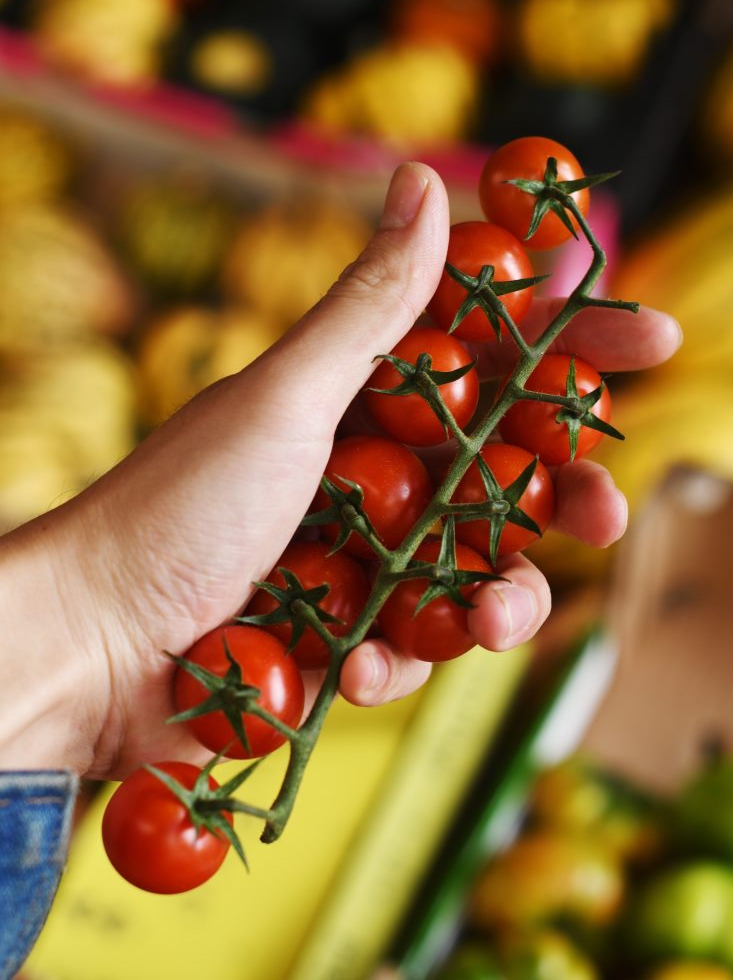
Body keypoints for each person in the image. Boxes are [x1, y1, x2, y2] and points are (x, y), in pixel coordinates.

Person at [0, 163, 681, 974]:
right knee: (462, 588)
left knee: (462, 590)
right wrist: (91, 614)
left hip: (318, 592)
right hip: (321, 587)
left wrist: (89, 621)